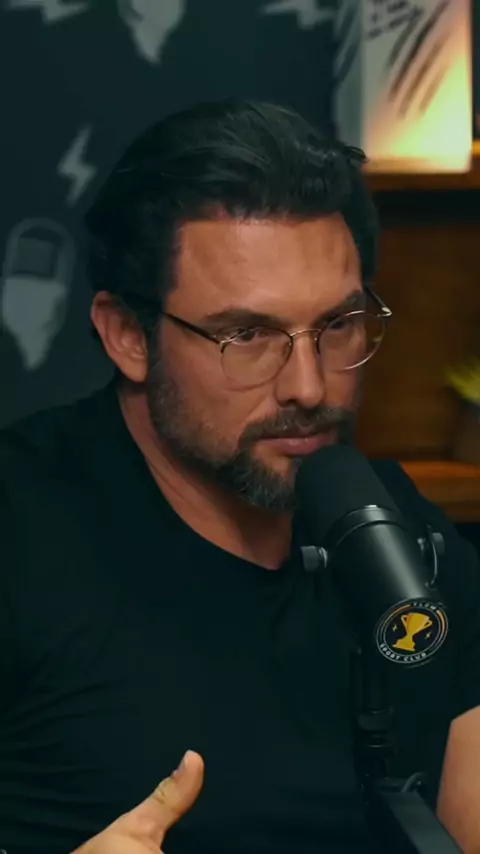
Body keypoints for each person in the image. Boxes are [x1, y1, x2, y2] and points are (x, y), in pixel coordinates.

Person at [1, 99, 479, 854]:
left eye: (338, 325)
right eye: (247, 334)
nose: (309, 388)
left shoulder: (399, 527)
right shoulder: (21, 532)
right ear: (128, 336)